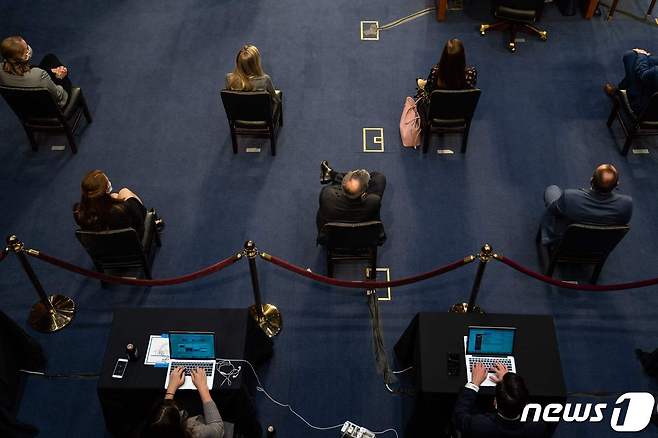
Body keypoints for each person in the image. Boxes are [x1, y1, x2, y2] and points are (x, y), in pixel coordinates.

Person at [539, 164, 633, 246]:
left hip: (567, 241)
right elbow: (621, 223)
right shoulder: (626, 204)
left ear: (591, 180)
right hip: (598, 244)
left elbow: (552, 211)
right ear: (617, 185)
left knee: (552, 190)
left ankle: (548, 238)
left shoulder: (570, 197)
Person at [453, 362, 547, 437]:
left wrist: (474, 384)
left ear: (495, 402)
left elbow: (459, 415)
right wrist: (508, 382)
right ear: (525, 404)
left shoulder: (479, 425)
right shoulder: (537, 427)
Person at [316, 161, 386, 245]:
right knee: (378, 178)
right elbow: (378, 179)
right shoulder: (373, 201)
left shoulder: (327, 195)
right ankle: (333, 174)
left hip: (333, 238)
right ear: (365, 192)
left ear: (341, 188)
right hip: (365, 238)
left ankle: (332, 174)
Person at [143, 367, 224, 438]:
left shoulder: (149, 433)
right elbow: (218, 429)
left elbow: (162, 421)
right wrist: (203, 388)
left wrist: (171, 388)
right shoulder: (195, 433)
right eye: (178, 411)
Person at [73, 170, 155, 239]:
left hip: (103, 248)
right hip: (132, 244)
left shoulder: (78, 211)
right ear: (106, 189)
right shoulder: (121, 209)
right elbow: (139, 222)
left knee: (115, 195)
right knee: (124, 191)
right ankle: (154, 221)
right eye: (107, 181)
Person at [0, 35, 71, 107]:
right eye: (27, 48)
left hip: (23, 105)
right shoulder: (39, 75)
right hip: (48, 107)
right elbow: (59, 96)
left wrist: (50, 71)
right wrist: (60, 78)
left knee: (49, 58)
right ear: (24, 57)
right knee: (64, 74)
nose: (29, 48)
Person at [604, 48, 658, 113]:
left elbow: (642, 73)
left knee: (630, 56)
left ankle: (621, 92)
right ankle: (621, 89)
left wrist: (642, 55)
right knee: (649, 60)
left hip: (645, 109)